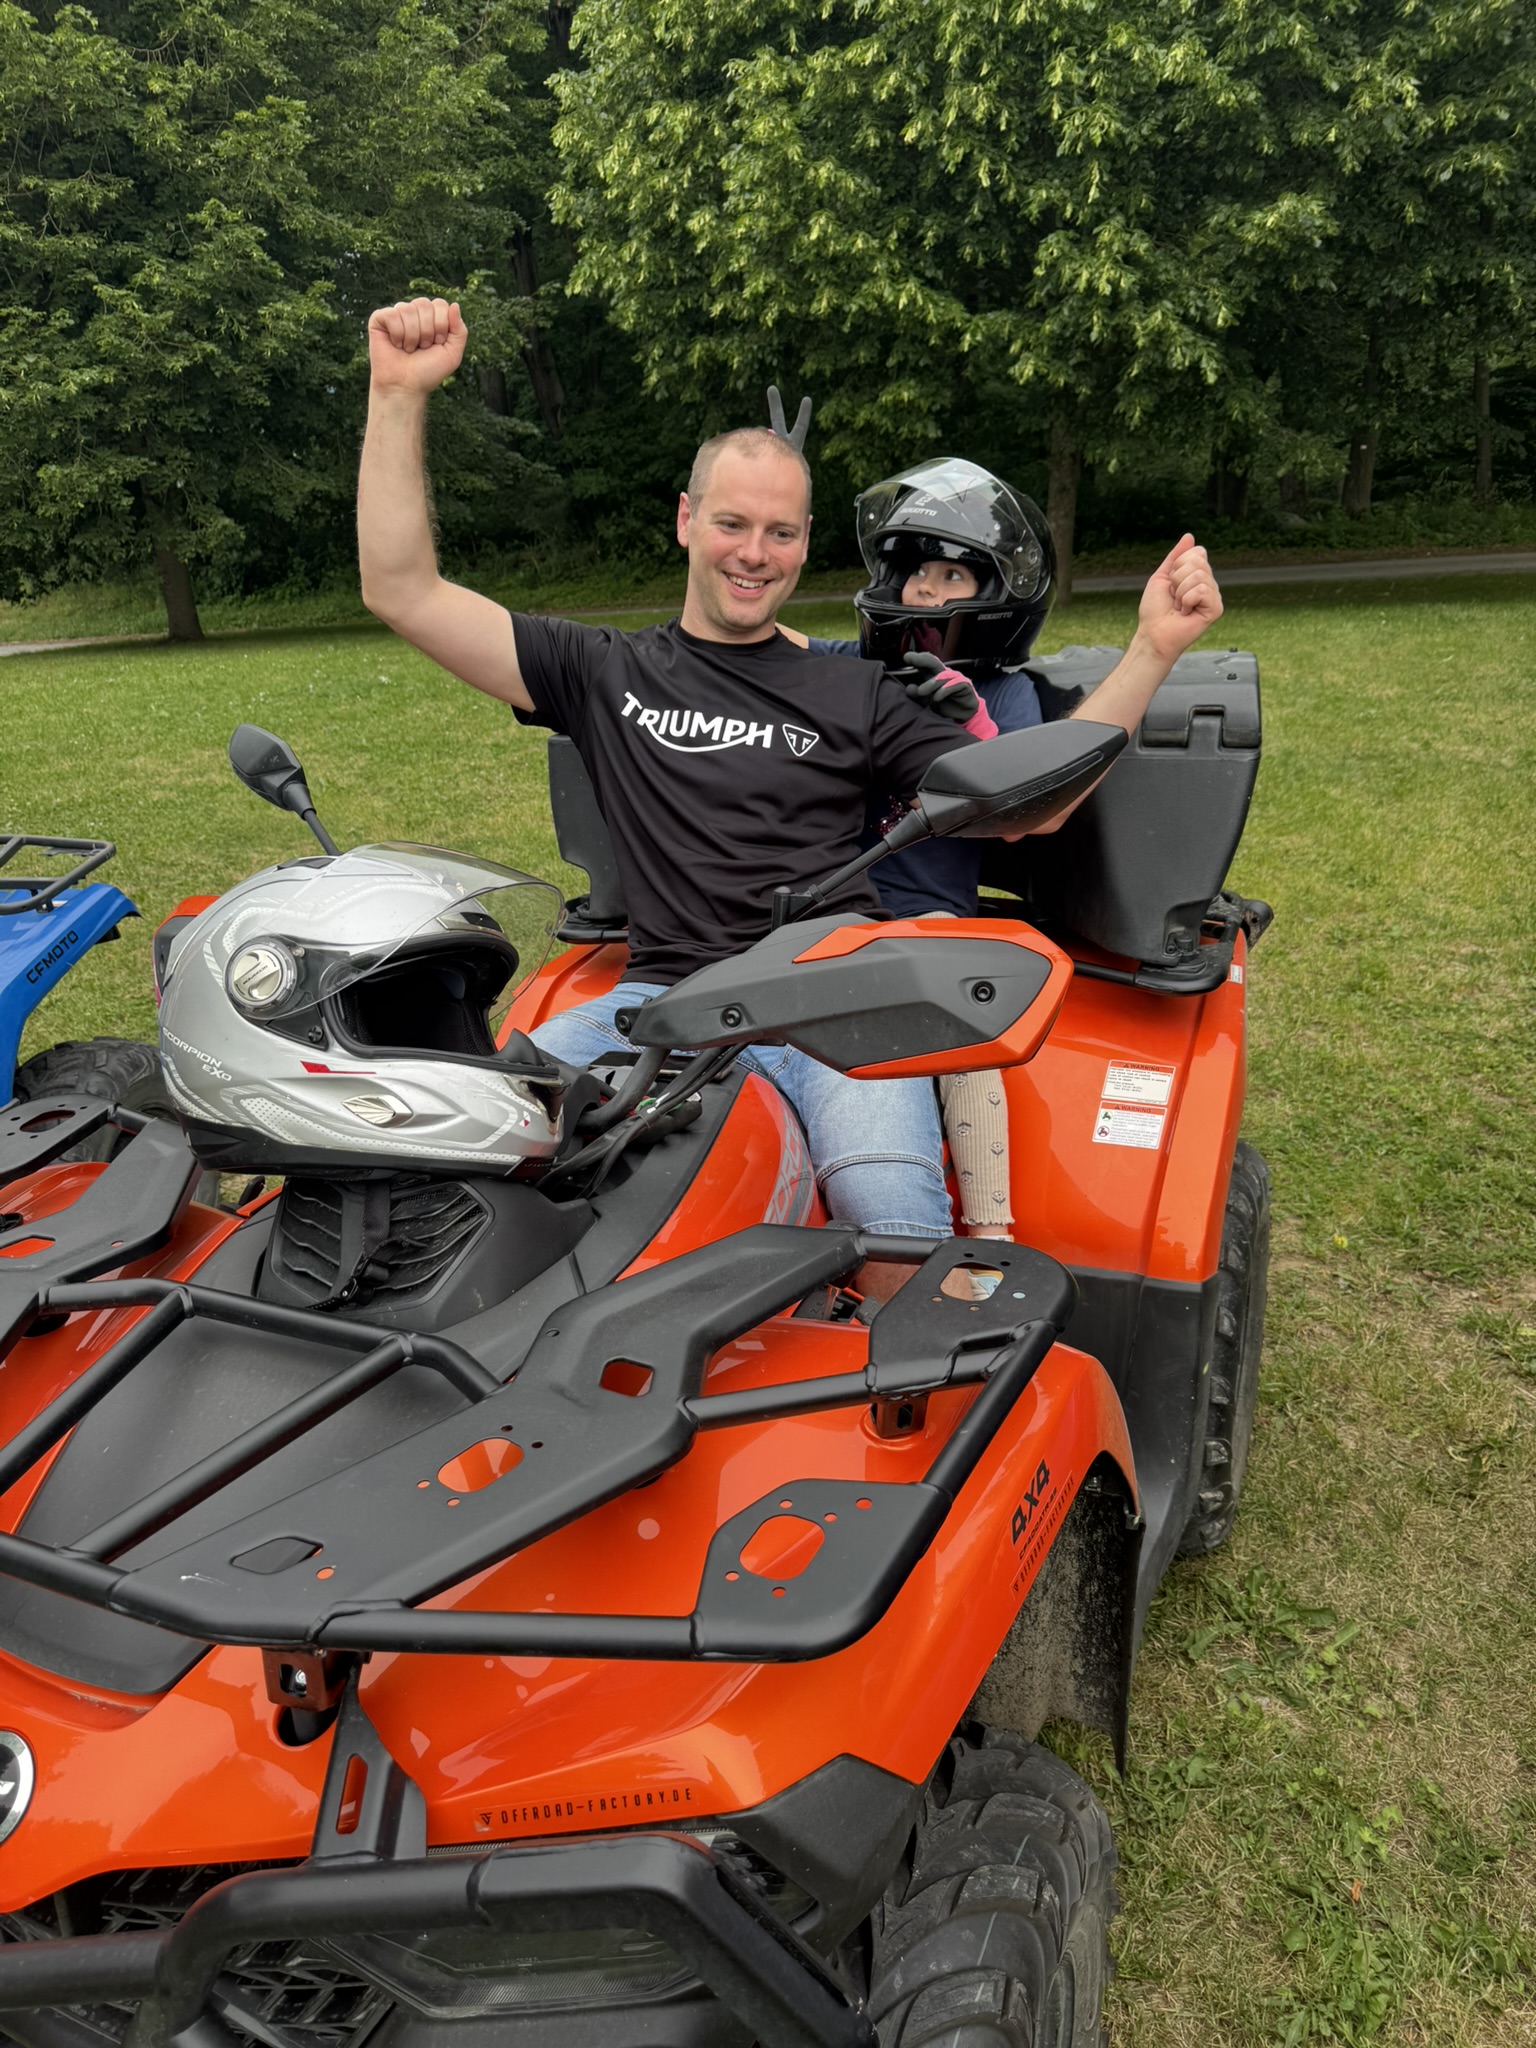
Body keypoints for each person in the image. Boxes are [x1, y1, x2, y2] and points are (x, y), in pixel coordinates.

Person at [355, 295, 1225, 1249]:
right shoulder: (601, 670)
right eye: (733, 523)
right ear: (687, 520)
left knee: (894, 1228)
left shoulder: (856, 690)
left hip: (830, 1002)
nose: (754, 554)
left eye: (780, 533)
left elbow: (1030, 811)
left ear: (805, 544)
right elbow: (403, 588)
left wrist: (1152, 649)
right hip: (658, 1003)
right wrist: (398, 395)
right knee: (449, 1141)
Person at [802, 458, 1058, 1238]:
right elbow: (773, 649)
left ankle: (989, 1231)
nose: (929, 592)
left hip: (932, 923)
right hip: (835, 914)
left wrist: (968, 719)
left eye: (954, 575)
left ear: (994, 594)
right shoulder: (851, 668)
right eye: (918, 574)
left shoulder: (1008, 692)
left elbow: (1017, 797)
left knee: (964, 1045)